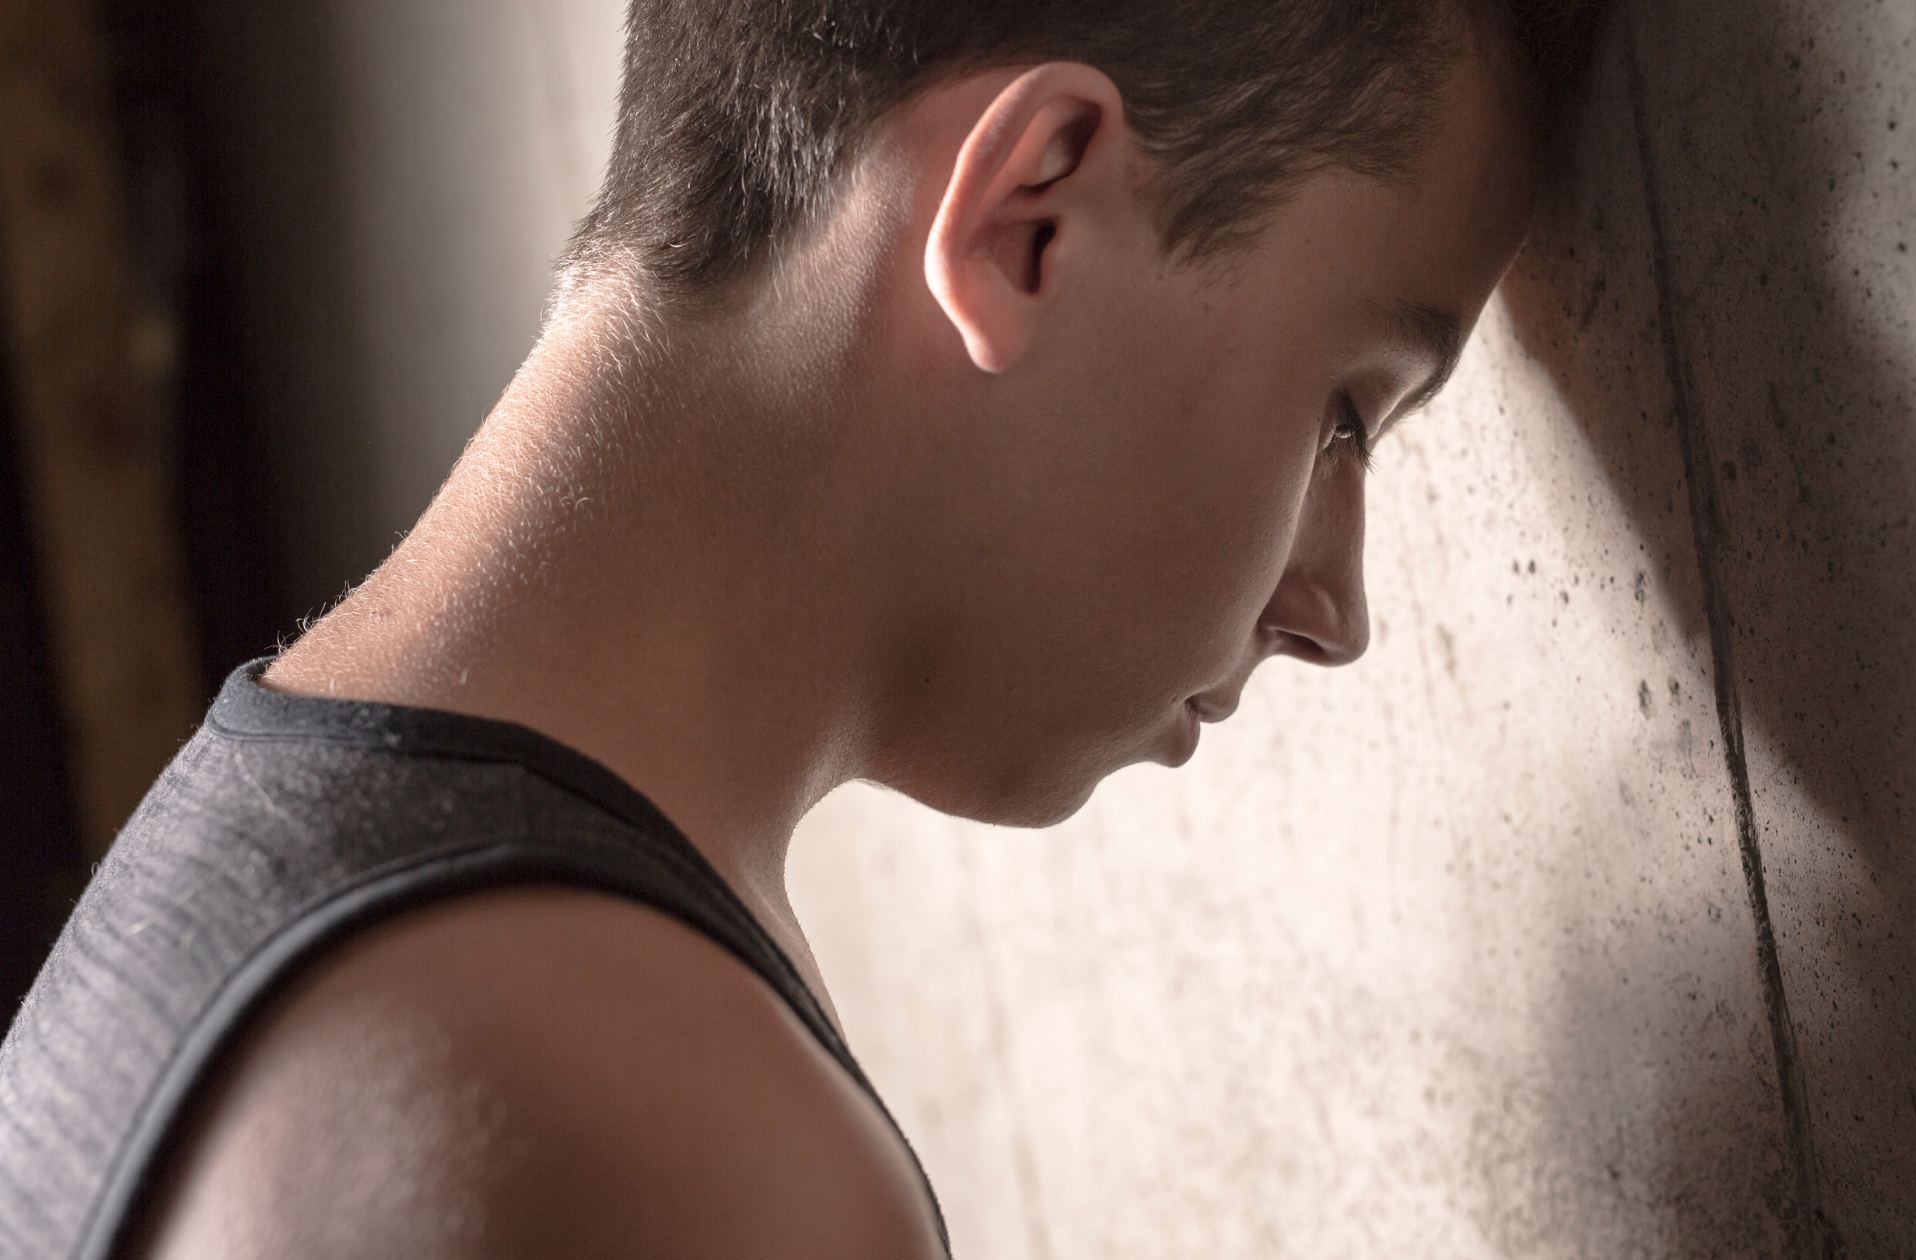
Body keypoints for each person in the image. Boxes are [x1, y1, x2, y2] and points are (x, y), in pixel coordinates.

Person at [0, 1, 1563, 1255]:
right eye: (1350, 412)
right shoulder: (644, 1140)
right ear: (1036, 214)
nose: (1336, 609)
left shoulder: (225, 900)